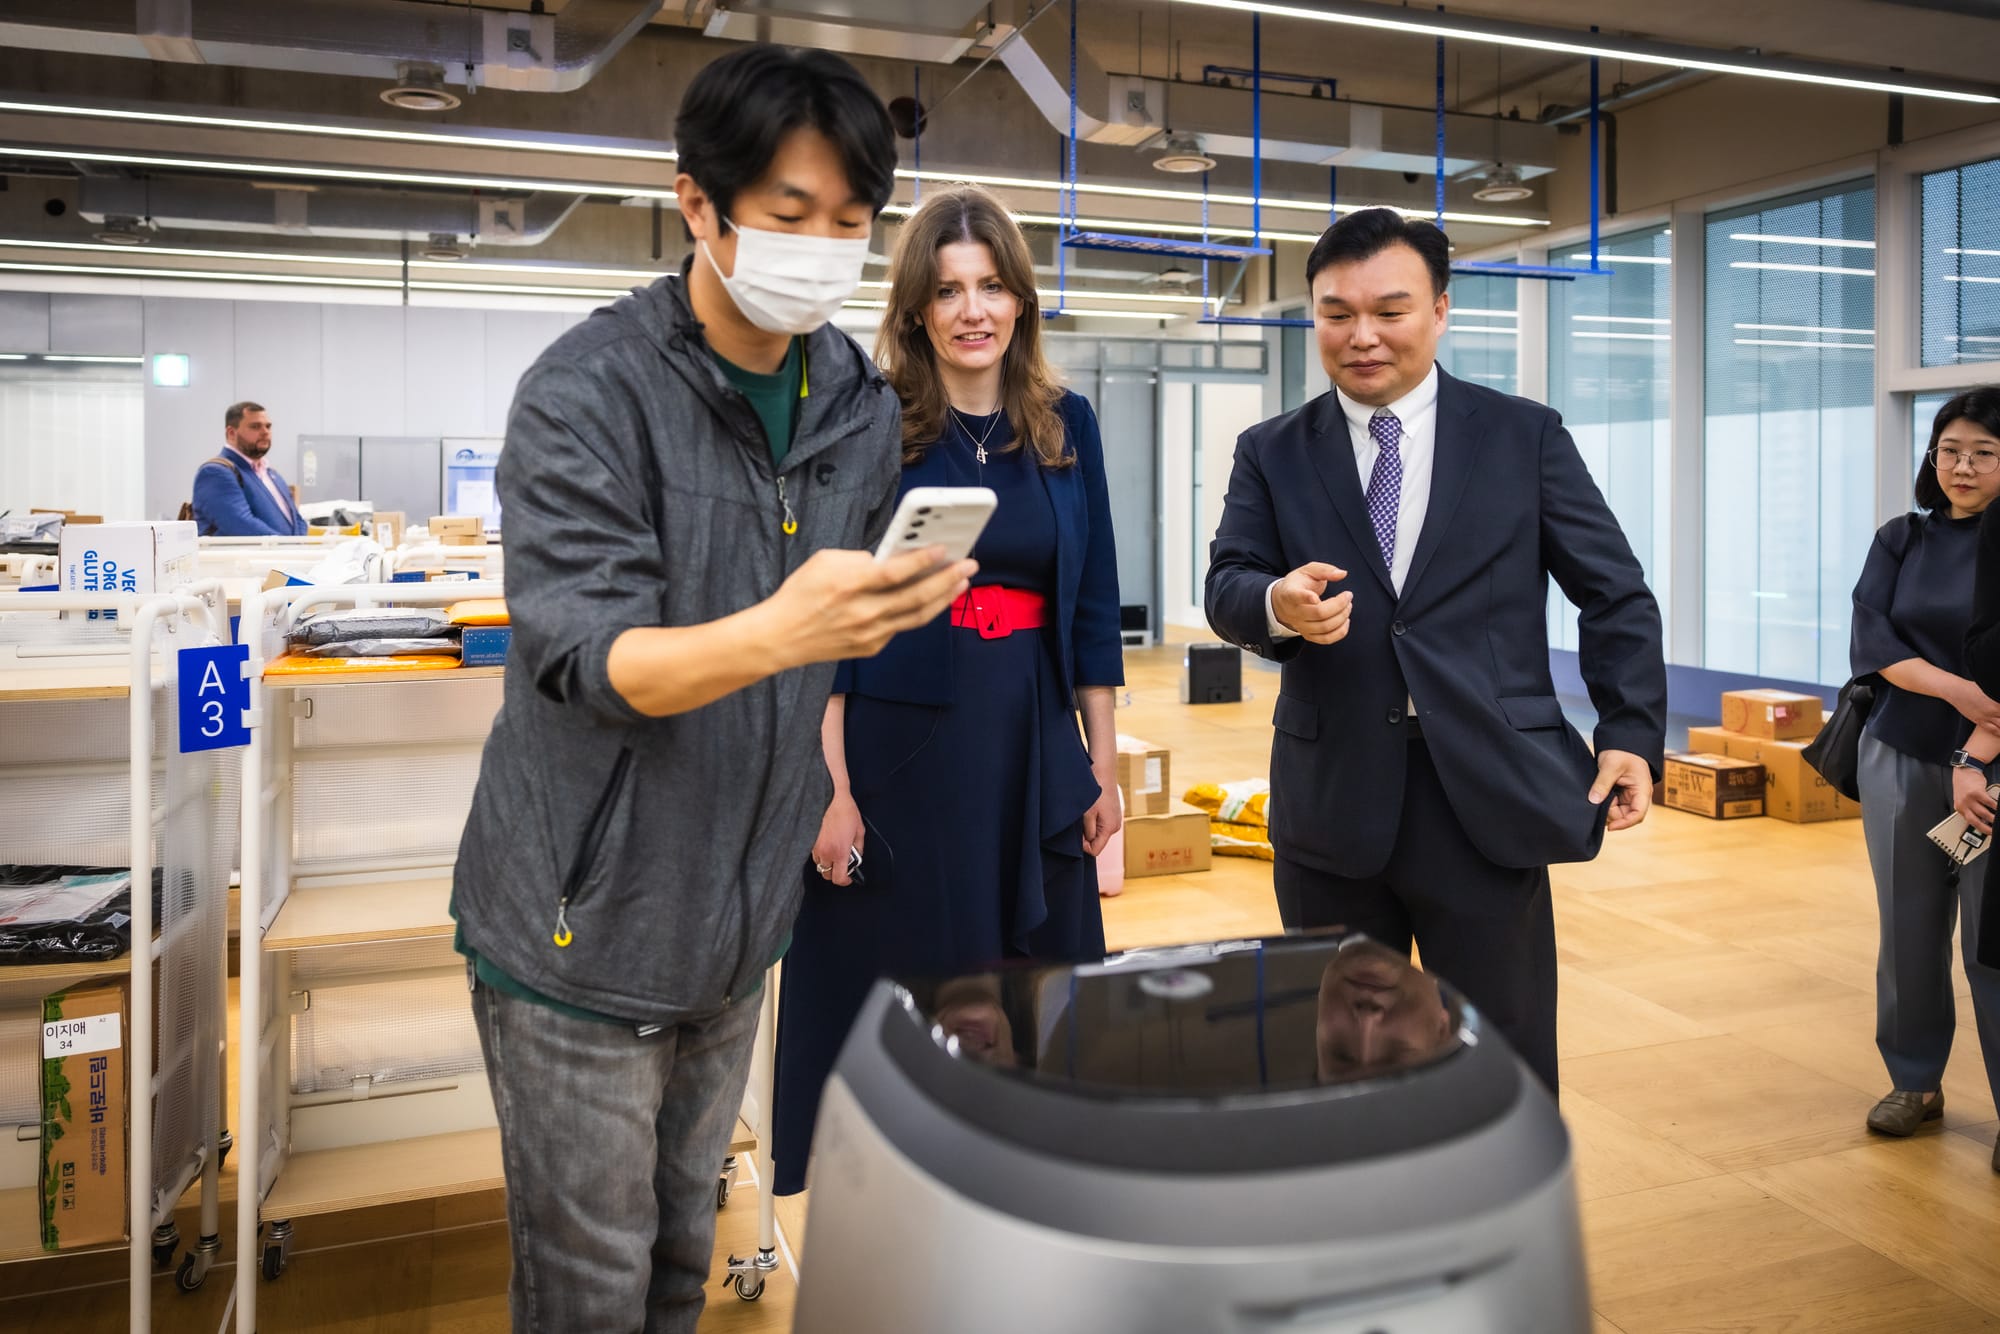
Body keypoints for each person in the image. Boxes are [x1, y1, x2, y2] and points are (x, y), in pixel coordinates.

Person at [449, 45, 975, 1333]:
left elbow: (823, 640)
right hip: (582, 925)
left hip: (739, 924)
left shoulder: (851, 398)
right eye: (791, 215)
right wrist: (788, 628)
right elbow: (585, 658)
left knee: (685, 1260)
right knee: (590, 1287)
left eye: (850, 222)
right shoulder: (588, 391)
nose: (824, 249)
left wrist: (878, 612)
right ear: (698, 204)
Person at [1202, 207, 1666, 1095]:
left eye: (1390, 310)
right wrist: (1275, 604)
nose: (1362, 336)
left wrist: (1630, 732)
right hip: (1333, 797)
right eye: (1337, 314)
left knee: (1504, 1054)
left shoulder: (1522, 436)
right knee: (1340, 1055)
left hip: (1485, 793)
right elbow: (1229, 583)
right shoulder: (1271, 451)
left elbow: (1614, 592)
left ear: (1441, 310)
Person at [772, 183, 1124, 1194]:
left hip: (1029, 739)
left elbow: (1093, 603)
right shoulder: (866, 423)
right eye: (947, 289)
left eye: (991, 286)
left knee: (1038, 985)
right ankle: (902, 1197)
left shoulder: (1066, 425)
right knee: (904, 981)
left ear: (1020, 300)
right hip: (899, 748)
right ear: (916, 309)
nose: (973, 309)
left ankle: (1025, 1187)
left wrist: (1099, 762)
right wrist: (828, 786)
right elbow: (827, 619)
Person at [1852, 388, 2000, 1173]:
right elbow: (1874, 642)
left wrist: (1979, 739)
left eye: (1984, 452)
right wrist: (1961, 692)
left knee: (1991, 942)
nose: (1962, 467)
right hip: (1901, 754)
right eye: (1950, 450)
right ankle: (1914, 1080)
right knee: (1908, 927)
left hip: (1991, 771)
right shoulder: (1902, 539)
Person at [188, 401, 307, 536]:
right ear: (231, 433)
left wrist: (300, 544)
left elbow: (297, 520)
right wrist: (288, 546)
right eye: (255, 426)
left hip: (287, 549)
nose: (265, 432)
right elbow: (240, 525)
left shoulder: (271, 474)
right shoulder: (215, 473)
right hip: (254, 550)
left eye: (268, 426)